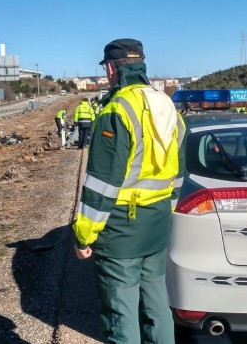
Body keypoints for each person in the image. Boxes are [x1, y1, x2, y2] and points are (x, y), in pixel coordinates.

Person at [72, 38, 186, 344]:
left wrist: (85, 235)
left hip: (123, 229)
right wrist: (166, 210)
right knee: (156, 306)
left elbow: (102, 183)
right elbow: (178, 171)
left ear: (111, 68)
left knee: (120, 315)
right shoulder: (167, 107)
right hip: (157, 223)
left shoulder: (117, 110)